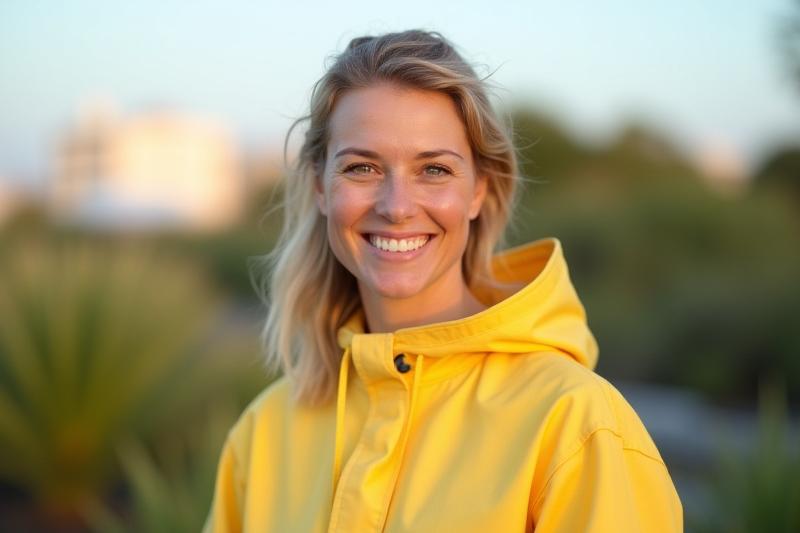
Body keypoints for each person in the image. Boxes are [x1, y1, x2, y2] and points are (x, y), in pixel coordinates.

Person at [204, 30, 683, 532]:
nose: (397, 207)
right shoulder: (263, 433)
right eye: (362, 168)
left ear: (479, 190)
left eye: (433, 169)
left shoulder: (575, 424)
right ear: (320, 186)